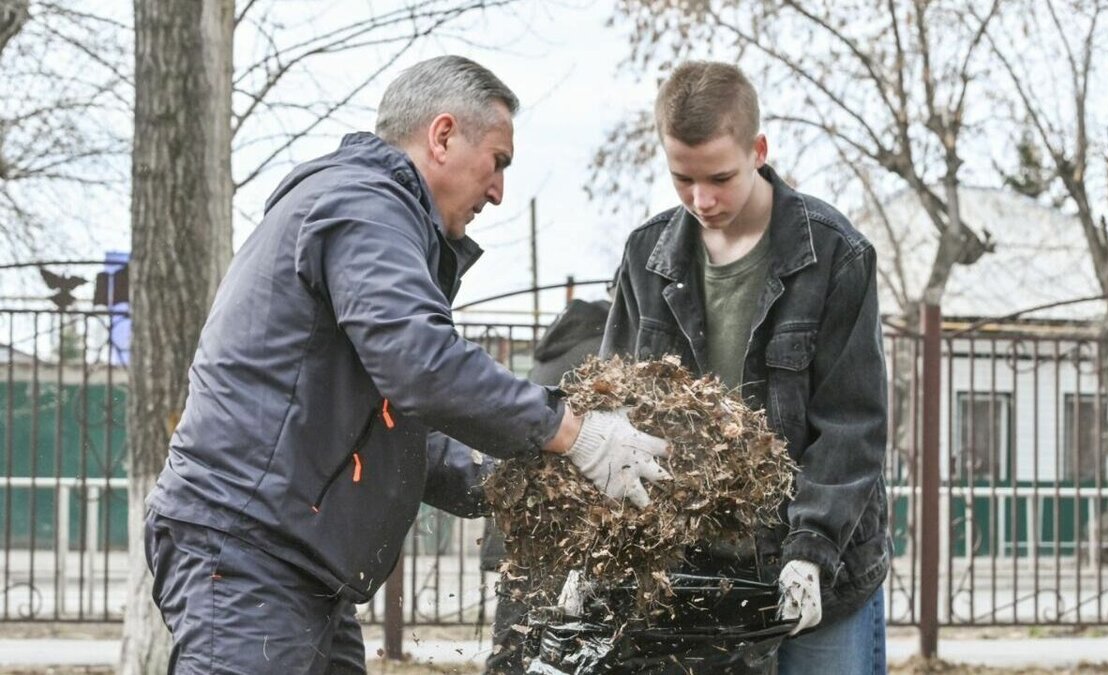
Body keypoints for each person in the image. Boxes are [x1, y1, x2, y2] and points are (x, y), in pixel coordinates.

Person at [142, 56, 670, 674]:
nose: (498, 191)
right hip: (248, 555)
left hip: (296, 567)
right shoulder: (364, 204)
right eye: (497, 161)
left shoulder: (371, 213)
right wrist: (574, 432)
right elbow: (422, 365)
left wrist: (527, 480)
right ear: (443, 136)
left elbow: (393, 424)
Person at [600, 61, 890, 674]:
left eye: (720, 177)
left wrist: (809, 548)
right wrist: (598, 552)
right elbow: (612, 415)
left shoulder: (835, 254)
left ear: (758, 150)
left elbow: (851, 424)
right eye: (683, 179)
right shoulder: (645, 258)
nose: (702, 200)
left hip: (823, 571)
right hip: (696, 573)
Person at [480, 297, 612, 674]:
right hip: (558, 523)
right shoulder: (602, 353)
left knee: (515, 640)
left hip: (523, 516)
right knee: (558, 645)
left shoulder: (556, 350)